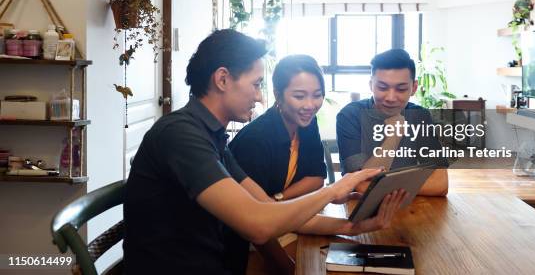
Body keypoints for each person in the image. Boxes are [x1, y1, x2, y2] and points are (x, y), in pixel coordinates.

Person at [124, 29, 407, 275]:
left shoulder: (211, 137)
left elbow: (269, 211)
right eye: (256, 84)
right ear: (222, 80)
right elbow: (258, 226)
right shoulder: (182, 136)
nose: (260, 96)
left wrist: (352, 226)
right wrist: (333, 191)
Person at [228, 55, 327, 273]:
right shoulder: (256, 140)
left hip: (280, 219)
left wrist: (279, 200)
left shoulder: (306, 123)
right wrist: (289, 270)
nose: (310, 105)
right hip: (243, 242)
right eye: (299, 96)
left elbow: (317, 177)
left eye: (317, 95)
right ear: (278, 95)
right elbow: (255, 226)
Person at [336, 48, 449, 195]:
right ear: (371, 85)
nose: (390, 97)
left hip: (409, 206)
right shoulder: (350, 116)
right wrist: (393, 137)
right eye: (382, 87)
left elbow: (440, 183)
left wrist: (382, 187)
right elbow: (360, 186)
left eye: (401, 89)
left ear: (414, 88)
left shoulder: (419, 116)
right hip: (360, 208)